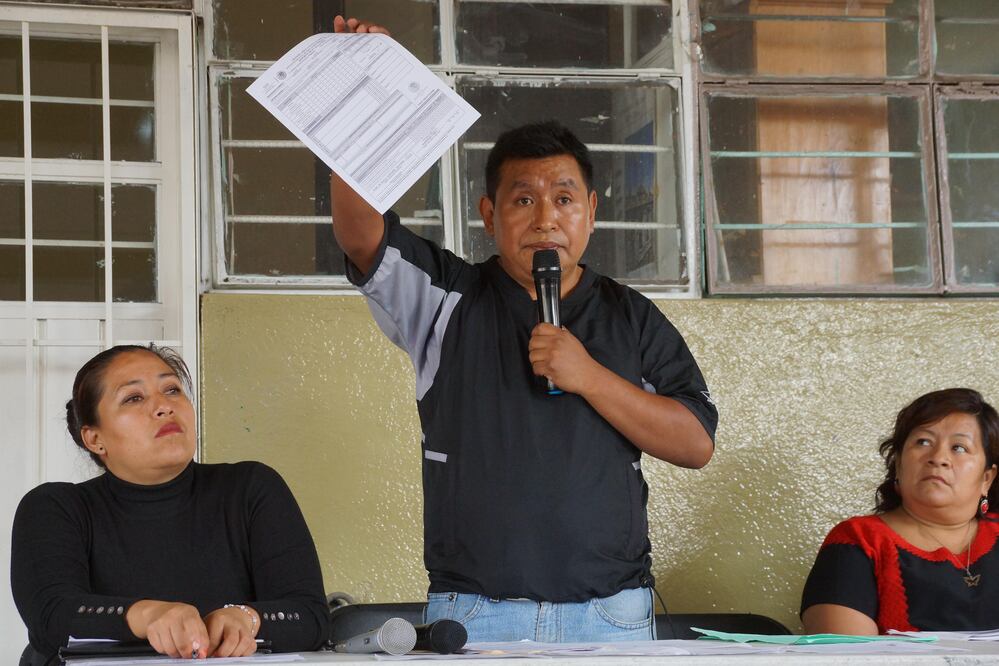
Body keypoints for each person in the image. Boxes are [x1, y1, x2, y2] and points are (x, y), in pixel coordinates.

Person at [330, 16, 718, 642]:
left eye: (564, 198)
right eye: (522, 199)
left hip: (611, 614)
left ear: (591, 212)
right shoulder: (446, 297)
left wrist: (589, 376)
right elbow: (360, 234)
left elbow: (695, 443)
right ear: (489, 214)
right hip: (477, 614)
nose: (545, 219)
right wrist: (363, 94)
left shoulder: (630, 314)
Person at [11, 345, 330, 663]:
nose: (164, 406)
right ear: (95, 439)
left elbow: (311, 616)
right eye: (133, 398)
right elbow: (50, 616)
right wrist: (149, 616)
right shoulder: (56, 507)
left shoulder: (251, 488)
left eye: (172, 390)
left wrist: (247, 618)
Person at [801, 388, 999, 634]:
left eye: (959, 448)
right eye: (923, 442)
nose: (938, 458)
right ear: (898, 464)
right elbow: (847, 652)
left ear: (987, 478)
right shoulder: (858, 541)